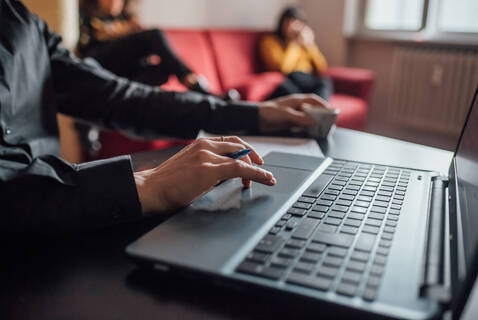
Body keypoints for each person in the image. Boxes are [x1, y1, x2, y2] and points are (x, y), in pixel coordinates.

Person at [0, 0, 328, 233]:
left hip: (61, 228)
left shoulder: (21, 19)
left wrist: (251, 114)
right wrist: (144, 185)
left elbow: (115, 96)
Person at [78, 0, 210, 93]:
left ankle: (202, 97)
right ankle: (191, 80)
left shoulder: (126, 19)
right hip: (98, 62)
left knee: (165, 70)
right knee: (154, 34)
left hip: (125, 72)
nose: (114, 2)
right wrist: (112, 35)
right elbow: (84, 47)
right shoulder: (87, 16)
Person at [259, 6, 333, 101]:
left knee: (325, 82)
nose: (291, 26)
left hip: (306, 78)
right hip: (290, 78)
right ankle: (306, 108)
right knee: (286, 89)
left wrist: (310, 46)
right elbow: (283, 68)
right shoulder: (270, 41)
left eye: (295, 23)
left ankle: (317, 110)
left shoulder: (305, 43)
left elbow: (321, 67)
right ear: (281, 23)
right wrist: (294, 43)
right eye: (287, 22)